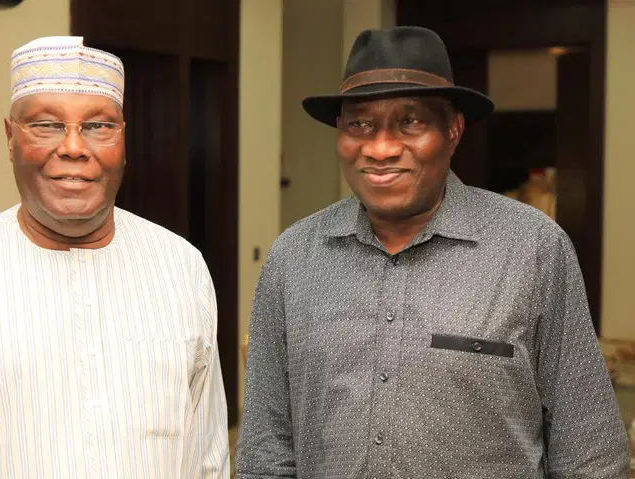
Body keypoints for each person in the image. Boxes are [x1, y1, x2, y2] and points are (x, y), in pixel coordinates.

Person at [236, 26, 629, 478]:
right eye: (359, 124)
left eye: (410, 122)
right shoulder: (294, 258)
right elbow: (266, 450)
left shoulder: (532, 249)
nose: (380, 148)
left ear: (453, 130)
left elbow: (589, 452)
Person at [0, 36, 229, 478]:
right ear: (10, 138)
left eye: (98, 126)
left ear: (123, 138)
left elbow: (208, 459)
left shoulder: (181, 270)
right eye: (46, 125)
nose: (74, 147)